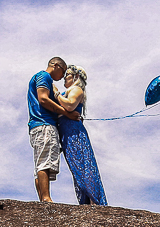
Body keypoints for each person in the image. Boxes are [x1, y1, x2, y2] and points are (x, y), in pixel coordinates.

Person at [27, 57, 80, 202]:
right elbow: (43, 99)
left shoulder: (40, 77)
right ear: (56, 66)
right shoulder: (45, 76)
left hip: (37, 125)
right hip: (45, 124)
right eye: (63, 72)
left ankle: (43, 199)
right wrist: (66, 112)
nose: (62, 76)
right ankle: (46, 198)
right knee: (44, 162)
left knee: (41, 163)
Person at [55, 65, 108, 205]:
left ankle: (93, 200)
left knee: (83, 165)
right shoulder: (69, 90)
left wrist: (56, 95)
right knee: (76, 166)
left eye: (67, 75)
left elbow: (70, 105)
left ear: (75, 77)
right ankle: (88, 200)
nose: (65, 78)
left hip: (74, 132)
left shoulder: (76, 89)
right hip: (66, 132)